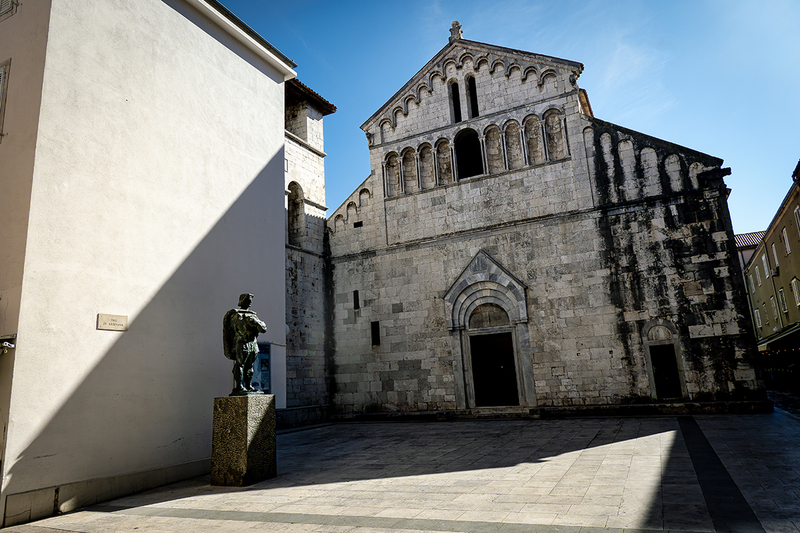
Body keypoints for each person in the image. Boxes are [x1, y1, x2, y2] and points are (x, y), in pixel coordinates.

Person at [222, 293, 267, 395]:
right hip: (242, 342)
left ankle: (248, 385)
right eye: (248, 300)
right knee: (240, 364)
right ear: (243, 301)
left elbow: (263, 329)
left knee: (250, 365)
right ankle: (239, 387)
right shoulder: (236, 314)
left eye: (250, 300)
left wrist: (255, 322)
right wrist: (250, 324)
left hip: (252, 342)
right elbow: (241, 329)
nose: (250, 302)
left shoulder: (253, 315)